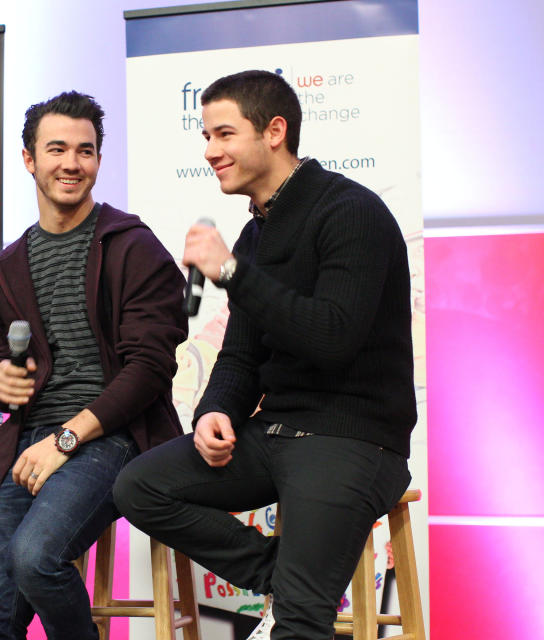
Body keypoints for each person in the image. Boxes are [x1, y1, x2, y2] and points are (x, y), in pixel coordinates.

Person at [113, 70, 416, 640]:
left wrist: (230, 272)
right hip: (274, 433)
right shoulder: (255, 237)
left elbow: (332, 338)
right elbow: (241, 354)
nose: (210, 151)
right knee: (139, 486)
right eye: (205, 136)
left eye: (224, 134)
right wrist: (214, 412)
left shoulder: (351, 213)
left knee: (300, 624)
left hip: (351, 437)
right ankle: (284, 575)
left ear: (274, 131)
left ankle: (301, 588)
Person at [0, 91, 188, 640]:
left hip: (114, 436)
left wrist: (67, 439)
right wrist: (0, 384)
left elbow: (149, 369)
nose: (72, 163)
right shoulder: (5, 267)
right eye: (57, 149)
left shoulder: (132, 247)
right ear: (29, 159)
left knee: (37, 558)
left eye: (85, 151)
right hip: (31, 441)